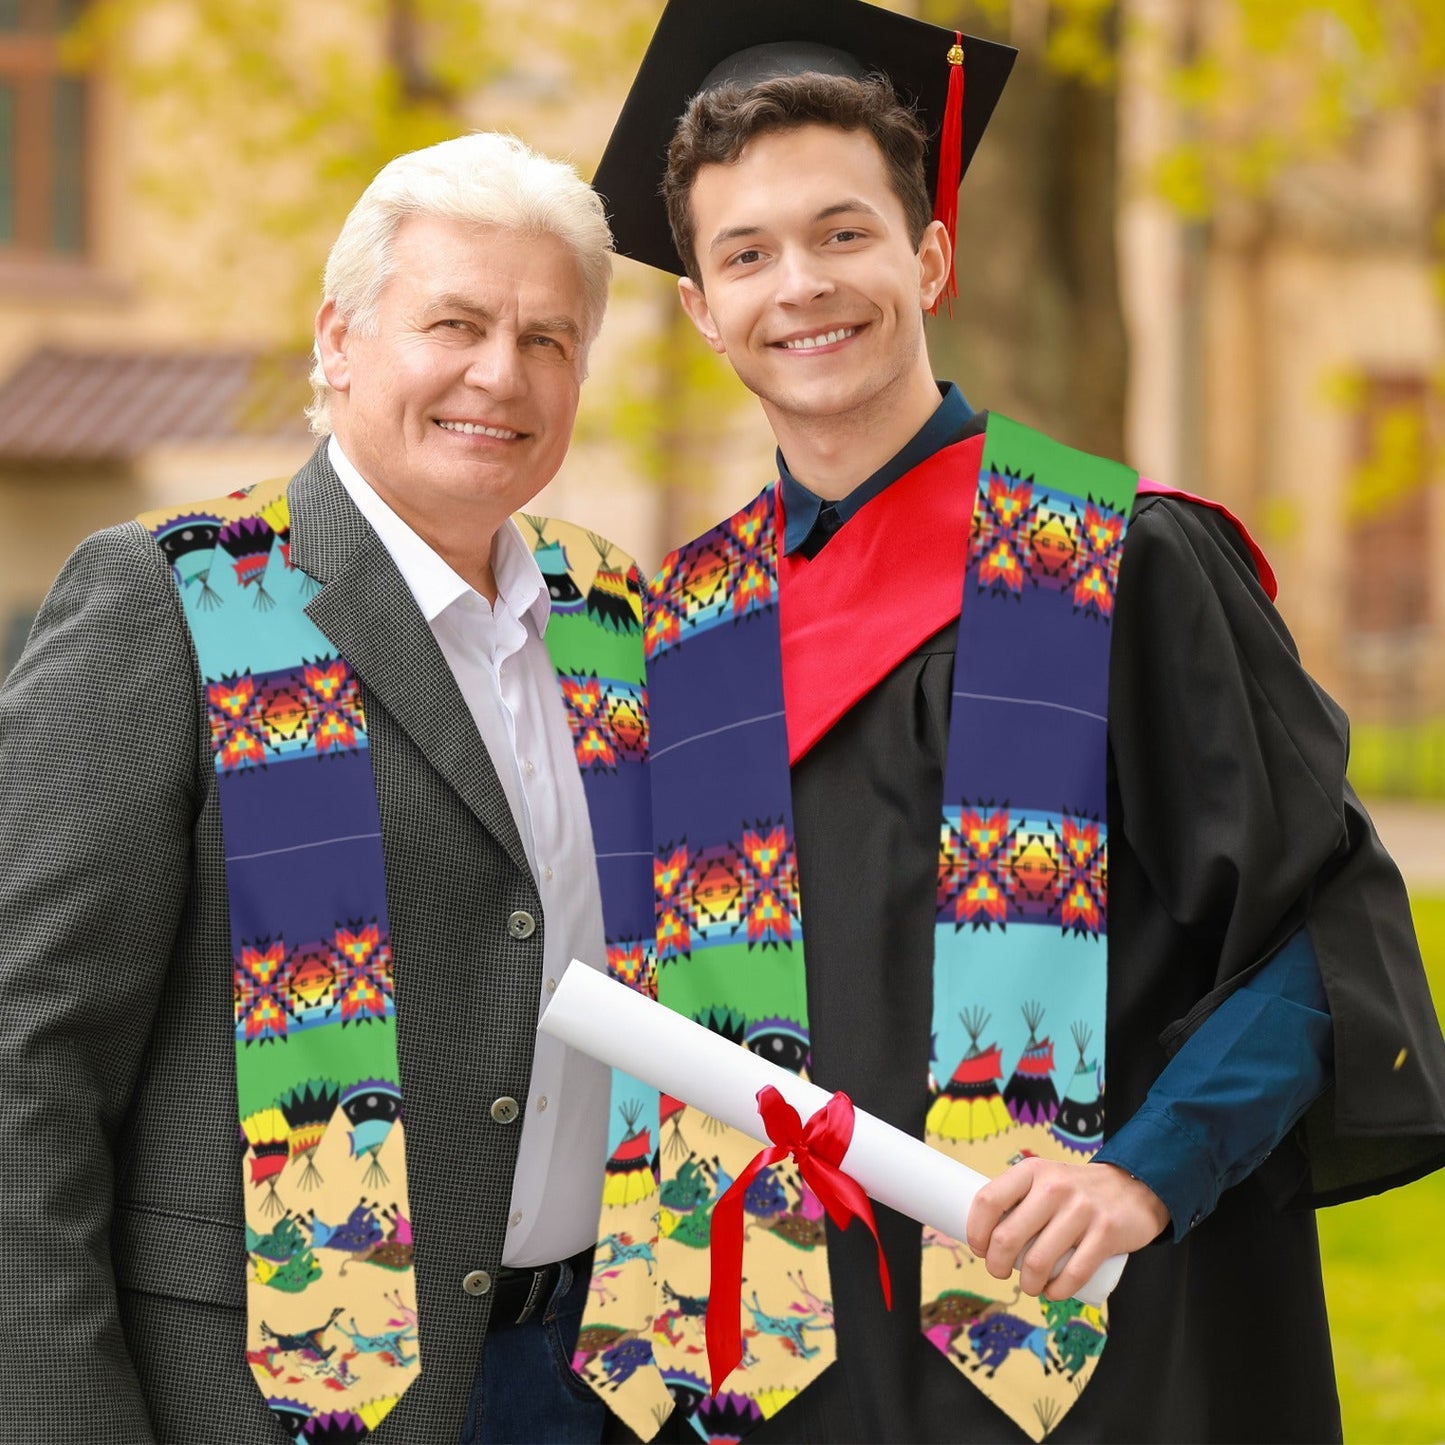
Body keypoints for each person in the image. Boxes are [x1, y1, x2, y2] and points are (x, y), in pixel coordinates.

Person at [569, 1, 1445, 1441]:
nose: (801, 284)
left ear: (929, 256)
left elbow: (1321, 932)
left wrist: (1145, 1172)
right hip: (780, 1376)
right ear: (703, 310)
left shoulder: (1114, 562)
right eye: (747, 253)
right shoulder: (688, 630)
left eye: (843, 232)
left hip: (1088, 1351)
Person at [0, 132, 649, 1445]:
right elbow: (28, 1055)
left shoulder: (613, 616)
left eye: (547, 339)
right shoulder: (181, 597)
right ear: (339, 340)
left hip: (590, 1378)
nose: (500, 373)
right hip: (266, 1395)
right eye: (455, 323)